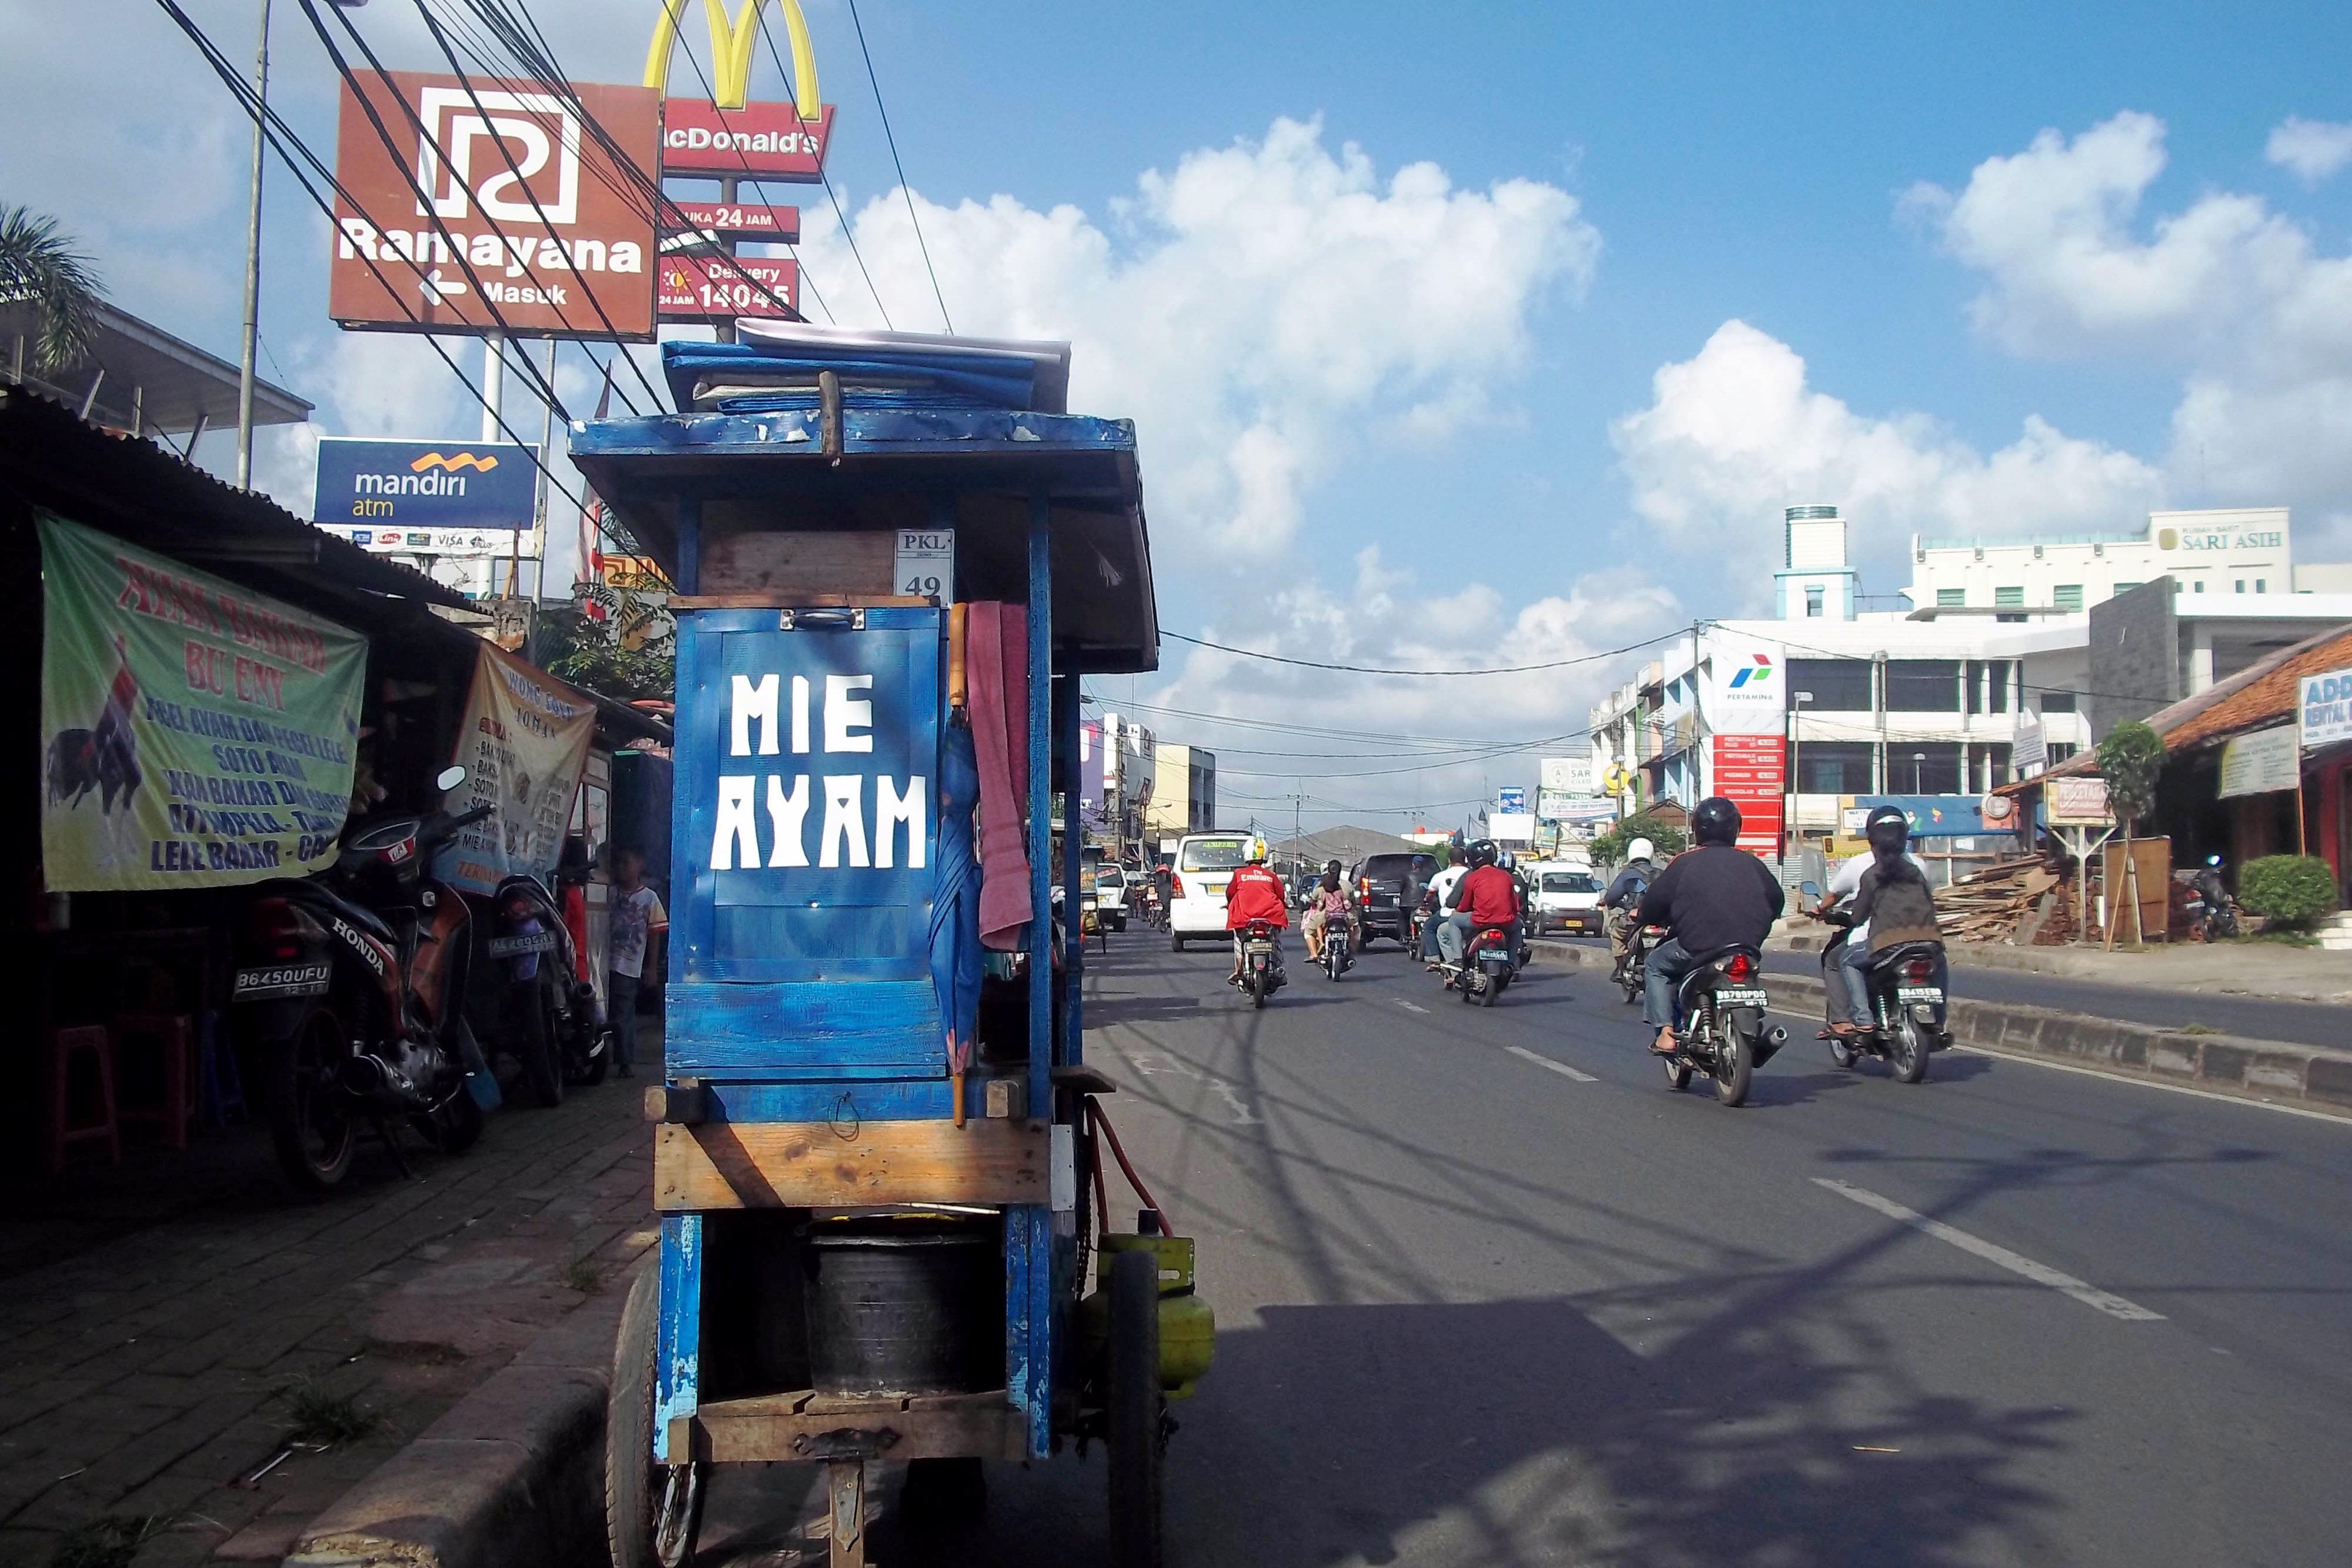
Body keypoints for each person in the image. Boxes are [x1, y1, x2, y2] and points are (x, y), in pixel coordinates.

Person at [1634, 799, 1784, 1055]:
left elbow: (1654, 904)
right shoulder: (1752, 863)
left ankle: (1665, 1034)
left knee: (1655, 966)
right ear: (1736, 828)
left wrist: (1644, 916)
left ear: (1697, 829)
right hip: (1747, 947)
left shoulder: (1684, 862)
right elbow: (1777, 901)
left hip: (1697, 947)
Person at [1833, 807, 1945, 1033]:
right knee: (1940, 965)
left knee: (1847, 962)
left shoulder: (1871, 875)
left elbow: (1857, 917)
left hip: (1887, 945)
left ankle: (1863, 1018)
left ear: (1873, 845)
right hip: (1929, 941)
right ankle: (1939, 1020)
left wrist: (1843, 916)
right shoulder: (1918, 870)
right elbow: (1929, 901)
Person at [607, 846, 667, 1079]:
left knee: (623, 1012)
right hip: (604, 961)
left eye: (626, 862)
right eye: (619, 863)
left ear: (639, 865)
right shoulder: (609, 894)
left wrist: (651, 968)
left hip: (629, 965)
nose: (622, 868)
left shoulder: (649, 898)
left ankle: (624, 1061)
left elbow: (655, 934)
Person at [1438, 840, 1520, 972]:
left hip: (1479, 920)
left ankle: (1458, 960)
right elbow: (1515, 904)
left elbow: (1464, 905)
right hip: (1505, 921)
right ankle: (1511, 962)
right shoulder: (1506, 876)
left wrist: (1457, 912)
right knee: (1518, 925)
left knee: (1454, 921)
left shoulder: (1472, 877)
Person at [1224, 842, 1290, 985]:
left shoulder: (1239, 874)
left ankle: (1239, 970)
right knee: (1275, 940)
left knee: (1239, 941)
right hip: (1271, 917)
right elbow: (1281, 895)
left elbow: (1230, 893)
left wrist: (1229, 905)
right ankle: (1278, 968)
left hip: (1245, 918)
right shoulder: (1271, 876)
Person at [1603, 837, 1659, 975]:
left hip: (1634, 920)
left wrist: (1609, 902)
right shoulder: (1660, 873)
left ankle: (1621, 968)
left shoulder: (1627, 874)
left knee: (1615, 931)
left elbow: (1612, 896)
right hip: (1659, 919)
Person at [1421, 845, 1470, 964]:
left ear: (1449, 860)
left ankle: (1434, 959)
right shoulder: (1472, 874)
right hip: (1470, 914)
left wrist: (1427, 899)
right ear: (1466, 860)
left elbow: (1430, 893)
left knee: (1428, 928)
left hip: (1447, 914)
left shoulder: (1440, 876)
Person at [1302, 860, 1355, 960]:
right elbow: (1352, 900)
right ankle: (1350, 950)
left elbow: (1315, 900)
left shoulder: (1323, 885)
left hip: (1326, 916)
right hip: (1344, 916)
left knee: (1308, 932)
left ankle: (1314, 954)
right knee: (1354, 928)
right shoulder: (1347, 885)